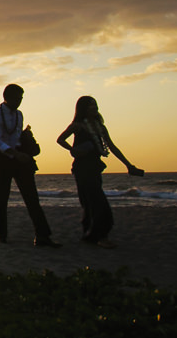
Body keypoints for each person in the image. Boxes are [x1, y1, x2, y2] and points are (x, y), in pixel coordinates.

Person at [55, 96, 142, 248]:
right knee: (96, 202)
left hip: (95, 167)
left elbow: (112, 147)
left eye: (95, 105)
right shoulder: (78, 125)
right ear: (83, 108)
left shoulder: (100, 127)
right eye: (90, 106)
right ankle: (101, 236)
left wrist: (128, 165)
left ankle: (90, 235)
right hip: (82, 168)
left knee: (90, 202)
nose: (94, 108)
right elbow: (60, 139)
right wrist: (73, 150)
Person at [0, 84, 58, 246]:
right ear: (9, 97)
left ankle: (42, 235)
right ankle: (2, 234)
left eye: (21, 98)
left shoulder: (19, 115)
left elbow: (17, 135)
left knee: (31, 197)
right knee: (2, 197)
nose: (20, 101)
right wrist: (14, 154)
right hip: (3, 158)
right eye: (18, 98)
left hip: (19, 158)